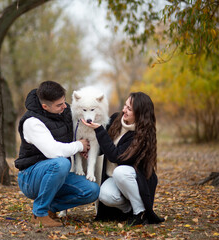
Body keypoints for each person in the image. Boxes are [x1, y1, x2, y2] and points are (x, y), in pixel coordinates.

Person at [15, 81, 100, 227]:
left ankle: (50, 208)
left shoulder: (64, 112)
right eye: (59, 105)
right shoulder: (32, 122)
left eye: (64, 102)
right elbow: (53, 151)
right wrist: (79, 145)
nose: (64, 107)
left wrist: (87, 146)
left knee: (91, 190)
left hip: (57, 175)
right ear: (45, 106)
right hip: (30, 177)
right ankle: (39, 214)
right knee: (61, 163)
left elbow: (80, 130)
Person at [81, 92, 165, 226]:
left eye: (129, 109)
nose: (124, 110)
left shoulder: (141, 135)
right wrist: (90, 150)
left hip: (134, 178)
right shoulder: (116, 119)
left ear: (140, 114)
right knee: (104, 195)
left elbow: (117, 157)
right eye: (125, 106)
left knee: (121, 171)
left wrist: (99, 130)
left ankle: (140, 212)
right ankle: (130, 210)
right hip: (114, 178)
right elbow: (105, 146)